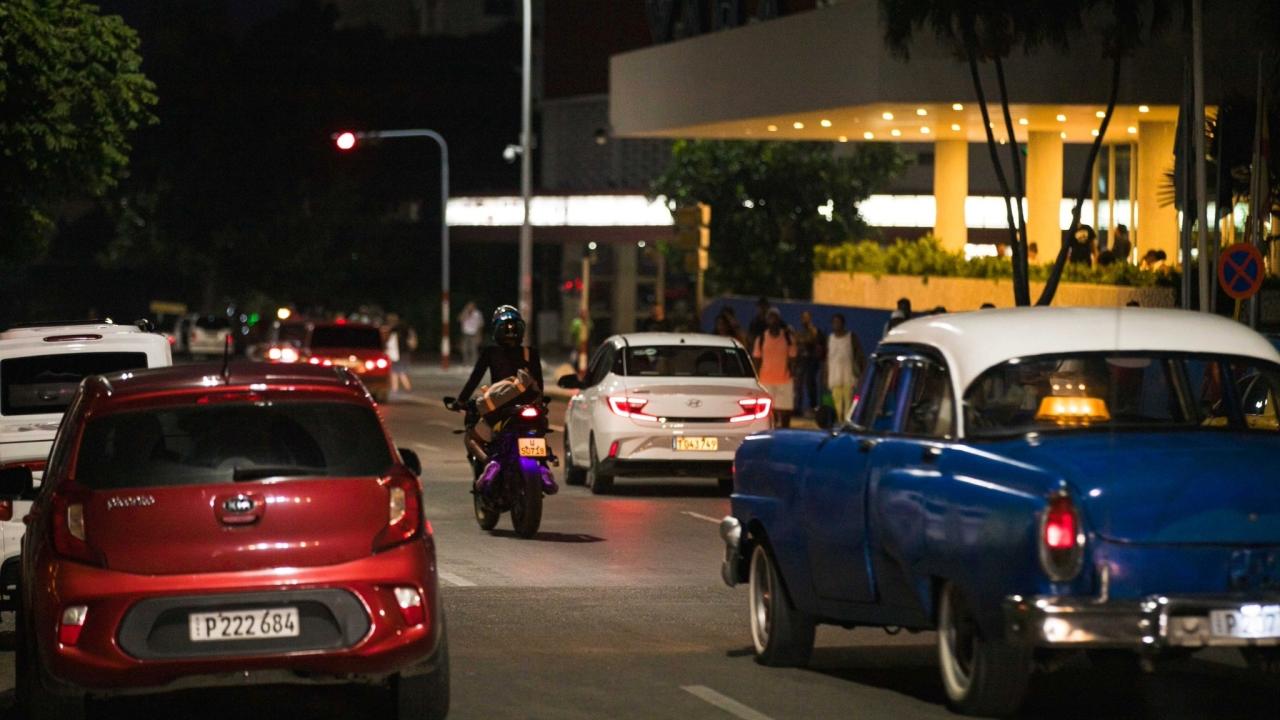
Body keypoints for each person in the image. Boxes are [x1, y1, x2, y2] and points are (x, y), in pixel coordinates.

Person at [455, 306, 544, 410]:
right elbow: (539, 382)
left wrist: (461, 401)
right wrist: (541, 402)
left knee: (476, 419)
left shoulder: (490, 352)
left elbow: (474, 379)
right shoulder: (531, 352)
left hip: (500, 405)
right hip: (528, 403)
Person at [753, 308, 797, 428]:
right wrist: (756, 380)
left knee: (785, 413)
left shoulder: (788, 338)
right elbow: (756, 359)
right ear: (767, 321)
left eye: (775, 317)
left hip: (785, 380)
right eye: (770, 318)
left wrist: (793, 375)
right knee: (767, 415)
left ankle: (784, 436)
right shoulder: (761, 339)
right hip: (766, 381)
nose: (773, 321)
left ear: (779, 320)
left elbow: (793, 358)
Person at [825, 313, 864, 423]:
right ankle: (838, 425)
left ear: (843, 323)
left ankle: (847, 425)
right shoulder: (830, 339)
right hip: (835, 377)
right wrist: (826, 375)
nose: (836, 324)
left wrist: (861, 372)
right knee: (837, 406)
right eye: (834, 322)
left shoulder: (851, 337)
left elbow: (859, 354)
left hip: (848, 377)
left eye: (838, 322)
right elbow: (827, 358)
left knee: (848, 404)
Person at [793, 311, 825, 417]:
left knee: (810, 384)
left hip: (811, 362)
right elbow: (797, 344)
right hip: (801, 362)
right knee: (798, 386)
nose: (804, 321)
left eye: (806, 318)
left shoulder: (815, 331)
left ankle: (813, 407)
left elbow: (817, 346)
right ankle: (797, 408)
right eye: (803, 318)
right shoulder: (800, 332)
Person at [384, 312, 415, 394]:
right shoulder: (405, 328)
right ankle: (399, 388)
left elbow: (388, 342)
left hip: (395, 353)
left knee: (396, 371)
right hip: (405, 352)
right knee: (400, 371)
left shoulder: (391, 330)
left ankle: (403, 388)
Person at [458, 302, 484, 367]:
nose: (470, 308)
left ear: (474, 307)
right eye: (469, 306)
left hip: (474, 333)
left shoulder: (477, 314)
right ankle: (465, 362)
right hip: (465, 333)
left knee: (473, 349)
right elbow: (459, 320)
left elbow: (480, 324)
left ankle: (474, 363)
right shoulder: (465, 312)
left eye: (471, 306)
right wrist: (465, 313)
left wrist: (479, 335)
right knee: (464, 349)